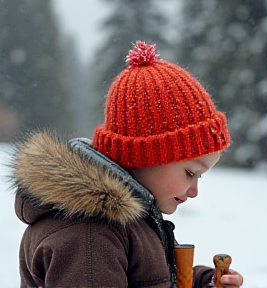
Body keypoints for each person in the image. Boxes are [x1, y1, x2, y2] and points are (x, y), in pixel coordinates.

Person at [11, 41, 243, 288]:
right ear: (145, 156)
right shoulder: (90, 234)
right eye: (189, 172)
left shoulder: (127, 221)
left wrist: (200, 282)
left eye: (200, 177)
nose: (194, 191)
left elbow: (150, 279)